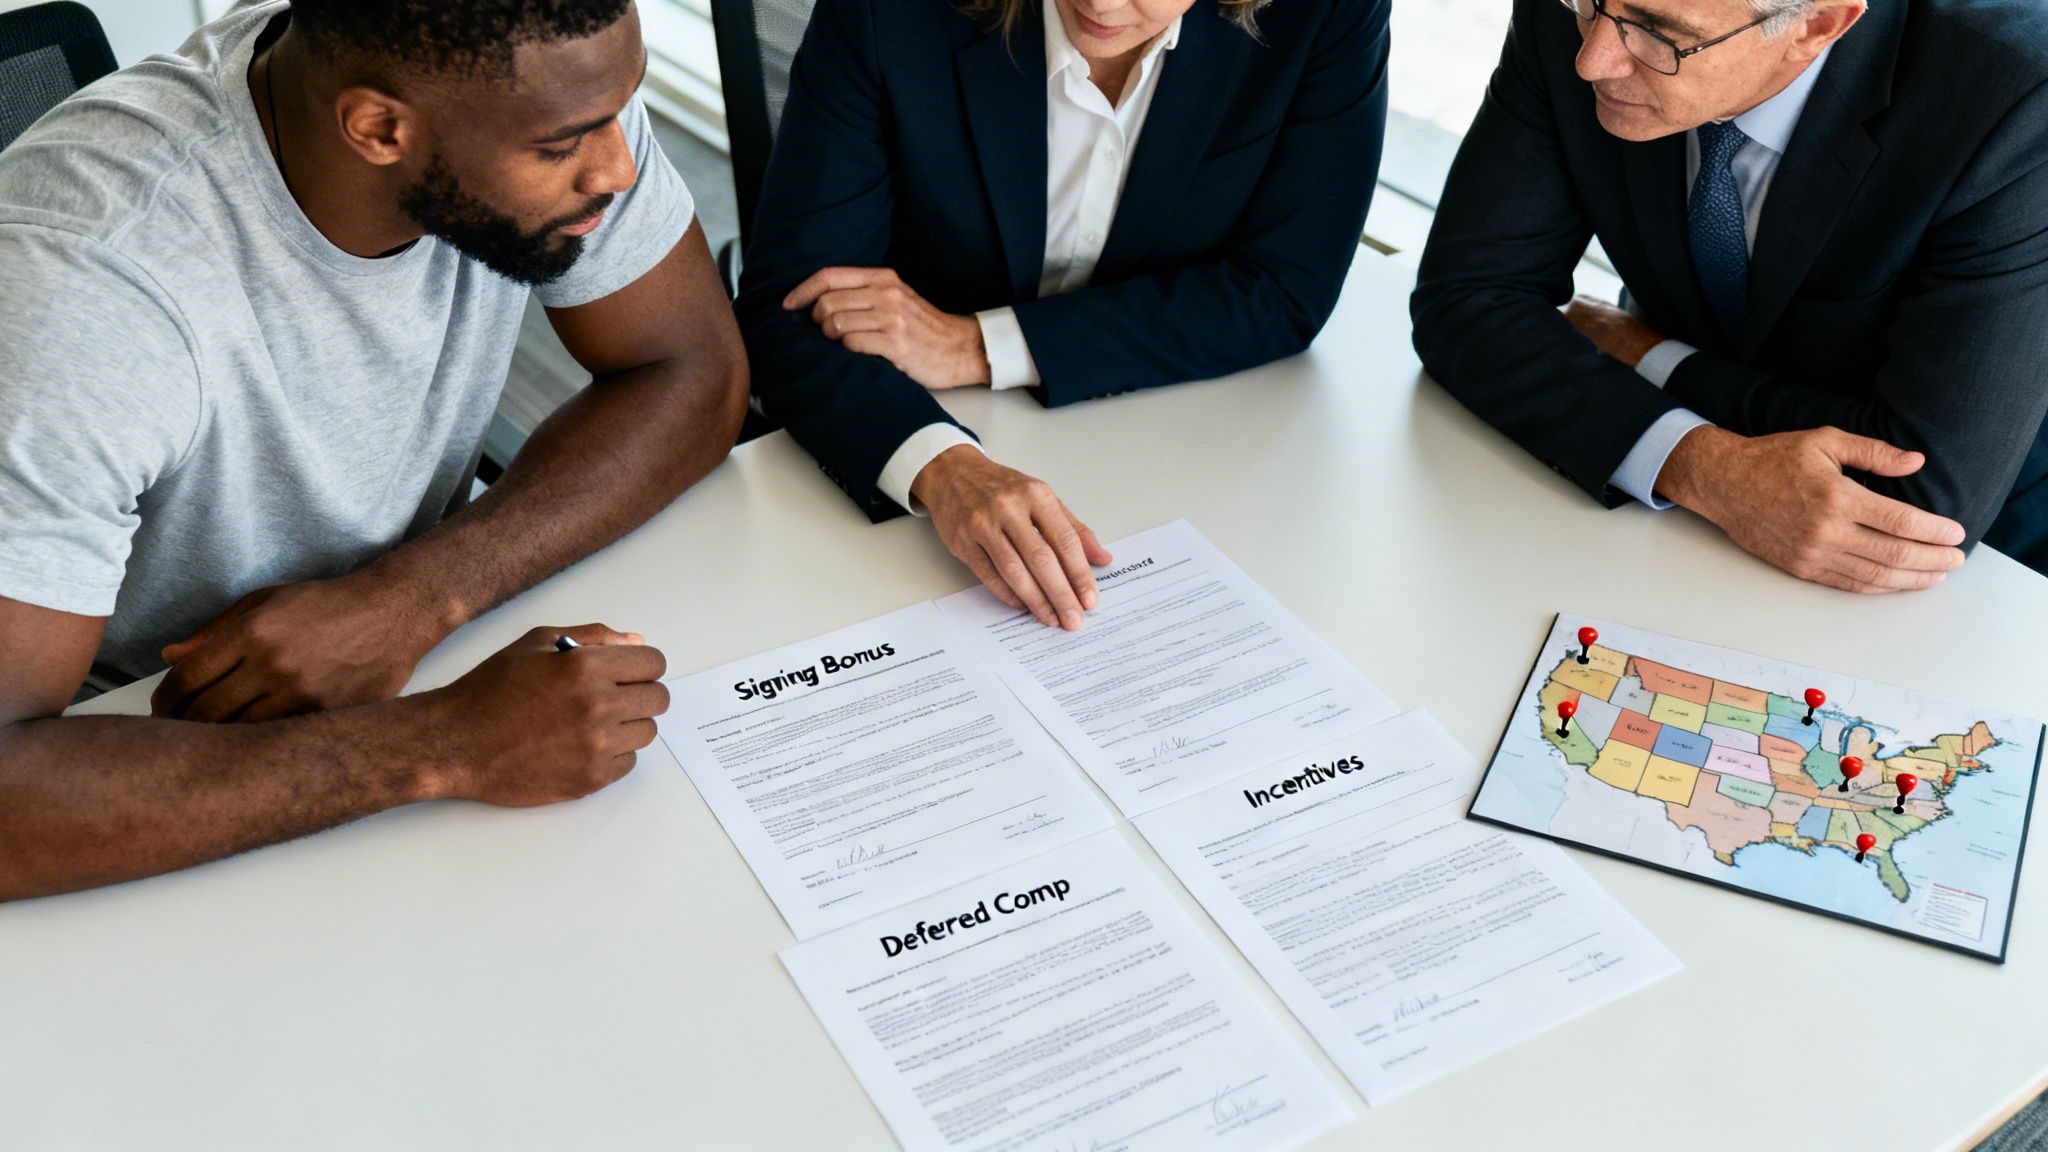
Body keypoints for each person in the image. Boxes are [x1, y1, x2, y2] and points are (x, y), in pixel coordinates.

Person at [0, 0, 749, 900]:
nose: (617, 169)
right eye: (562, 147)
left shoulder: (546, 86)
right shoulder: (82, 300)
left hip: (413, 664)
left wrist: (413, 598)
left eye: (622, 110)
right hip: (128, 753)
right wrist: (449, 742)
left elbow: (692, 368)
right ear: (378, 129)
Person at [736, 0, 1389, 630]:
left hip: (1187, 458)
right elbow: (786, 305)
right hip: (906, 431)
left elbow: (1284, 289)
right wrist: (942, 466)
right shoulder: (890, 10)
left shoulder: (1325, 10)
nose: (1100, 3)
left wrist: (979, 345)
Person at [1411, 0, 2048, 590]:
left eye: (1660, 34)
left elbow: (1915, 492)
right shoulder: (1588, 19)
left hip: (1981, 573)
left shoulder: (2016, 104)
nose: (1592, 60)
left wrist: (1646, 355)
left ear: (1818, 25)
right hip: (1655, 529)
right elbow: (1467, 298)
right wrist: (1700, 465)